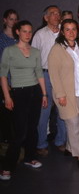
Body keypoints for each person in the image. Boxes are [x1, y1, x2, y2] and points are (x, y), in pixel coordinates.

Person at [0, 20, 47, 181]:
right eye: (24, 31)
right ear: (17, 32)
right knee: (20, 131)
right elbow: (3, 75)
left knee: (33, 127)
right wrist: (7, 96)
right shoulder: (9, 51)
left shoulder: (35, 51)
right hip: (19, 93)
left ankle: (30, 157)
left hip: (35, 92)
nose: (27, 34)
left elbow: (40, 73)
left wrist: (45, 94)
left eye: (29, 31)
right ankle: (7, 167)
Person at [48, 19, 79, 170]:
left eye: (73, 29)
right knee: (74, 124)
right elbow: (53, 74)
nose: (71, 32)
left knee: (78, 123)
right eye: (67, 29)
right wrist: (60, 94)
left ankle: (69, 147)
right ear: (62, 32)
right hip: (66, 94)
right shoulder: (57, 49)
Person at [31, 5, 67, 156]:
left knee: (62, 110)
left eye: (58, 13)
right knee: (44, 111)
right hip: (45, 75)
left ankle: (61, 141)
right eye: (52, 13)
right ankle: (41, 143)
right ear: (46, 17)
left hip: (62, 75)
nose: (56, 16)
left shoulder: (65, 32)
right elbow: (34, 58)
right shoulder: (39, 35)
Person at [0, 9, 19, 143]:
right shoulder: (1, 40)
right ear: (5, 20)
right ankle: (7, 142)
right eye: (11, 18)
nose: (13, 21)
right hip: (6, 81)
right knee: (7, 114)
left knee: (18, 115)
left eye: (15, 19)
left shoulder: (19, 38)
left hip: (20, 80)